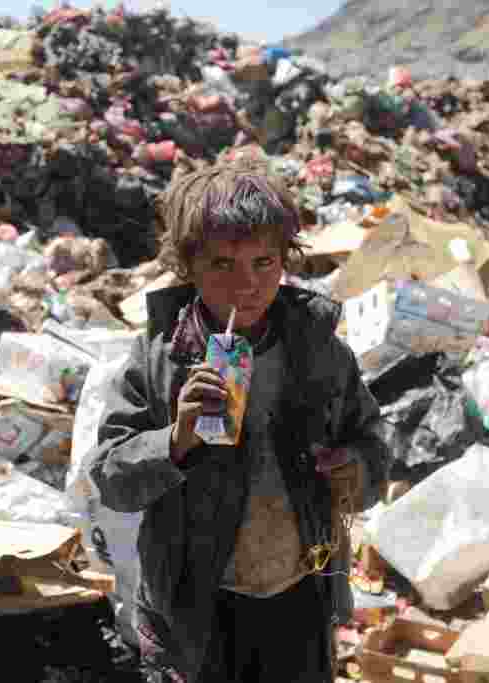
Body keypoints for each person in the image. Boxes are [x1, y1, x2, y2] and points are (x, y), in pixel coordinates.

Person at [87, 160, 387, 683]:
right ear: (188, 266)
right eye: (222, 265)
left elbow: (374, 452)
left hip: (298, 597)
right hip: (194, 610)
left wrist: (352, 468)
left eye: (263, 263)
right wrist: (174, 440)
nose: (245, 285)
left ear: (285, 261)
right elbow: (111, 482)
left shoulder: (320, 354)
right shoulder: (160, 360)